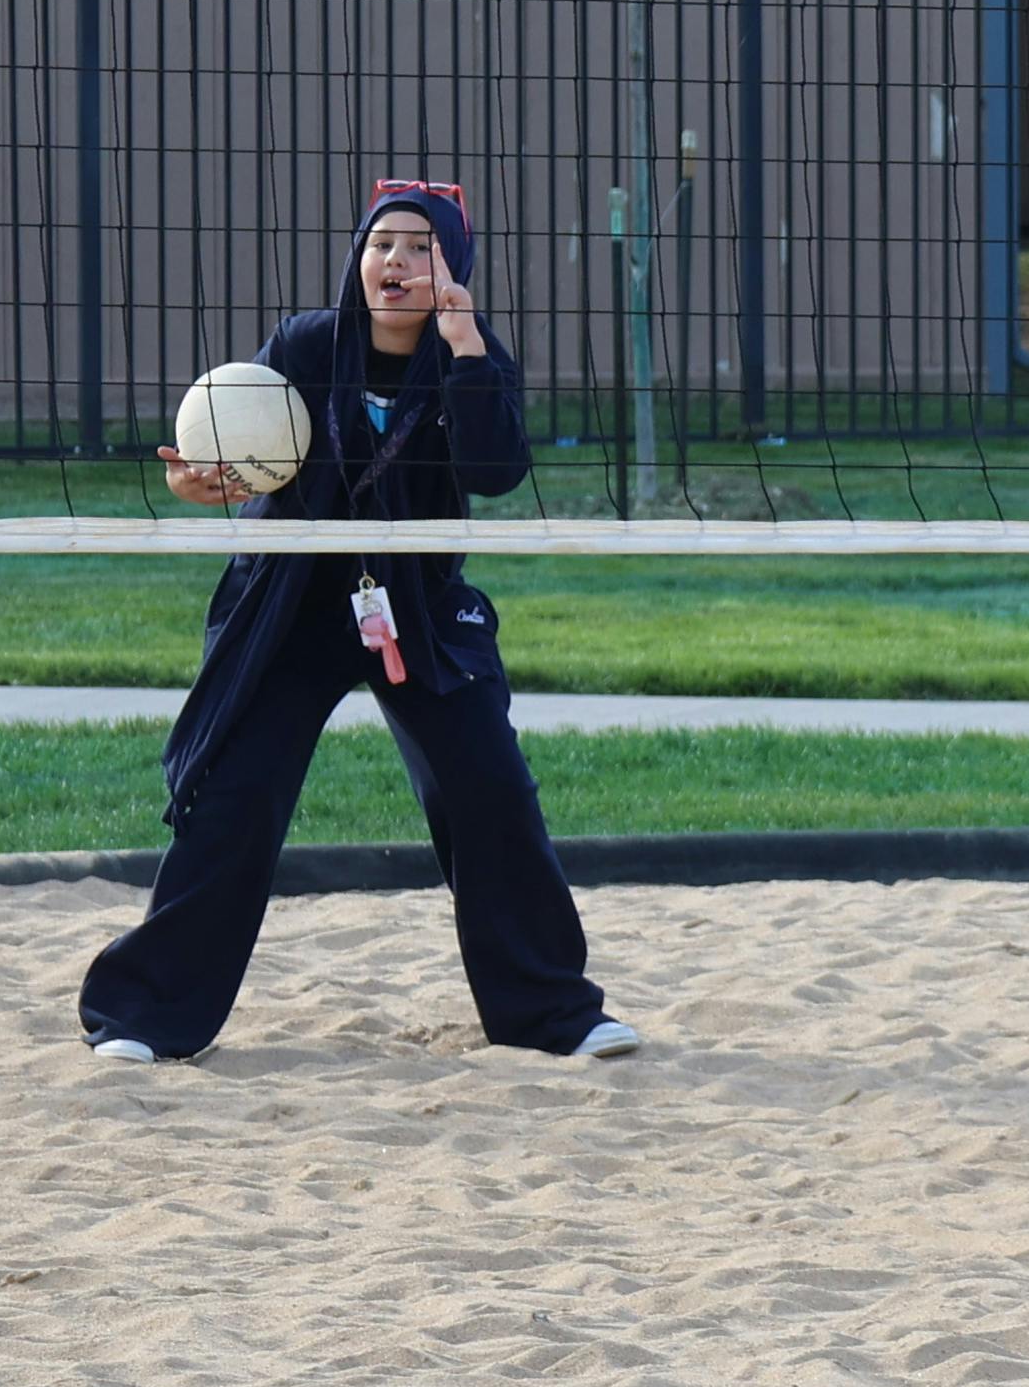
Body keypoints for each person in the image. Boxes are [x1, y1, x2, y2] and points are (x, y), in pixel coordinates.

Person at [77, 180, 634, 1069]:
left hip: (413, 607)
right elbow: (225, 452)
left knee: (491, 790)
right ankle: (144, 1017)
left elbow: (495, 472)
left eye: (421, 248)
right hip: (291, 605)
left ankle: (553, 1015)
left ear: (451, 266)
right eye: (383, 245)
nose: (397, 264)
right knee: (233, 800)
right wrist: (196, 483)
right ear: (359, 258)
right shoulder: (305, 344)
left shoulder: (472, 353)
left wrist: (462, 345)